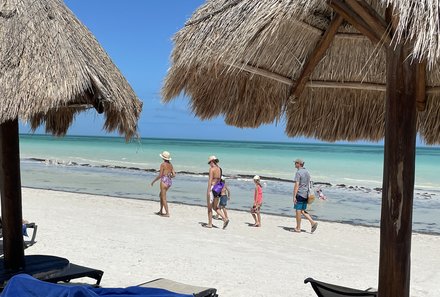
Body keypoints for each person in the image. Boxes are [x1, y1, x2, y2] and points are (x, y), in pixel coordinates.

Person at [292, 158, 318, 233]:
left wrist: (294, 196)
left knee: (298, 211)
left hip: (300, 193)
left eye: (295, 163)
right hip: (306, 194)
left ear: (299, 164)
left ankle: (298, 228)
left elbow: (297, 185)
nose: (294, 164)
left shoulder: (298, 172)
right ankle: (312, 223)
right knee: (302, 211)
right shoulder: (307, 172)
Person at [206, 155, 229, 229]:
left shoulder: (211, 169)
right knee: (215, 207)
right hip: (218, 189)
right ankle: (225, 218)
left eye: (209, 162)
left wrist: (208, 190)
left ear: (212, 161)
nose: (209, 164)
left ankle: (210, 224)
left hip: (212, 188)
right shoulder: (220, 169)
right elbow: (219, 180)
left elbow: (210, 180)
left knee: (210, 207)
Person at [151, 151, 175, 217]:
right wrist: (169, 176)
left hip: (164, 180)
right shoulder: (170, 165)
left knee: (163, 197)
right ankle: (161, 211)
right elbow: (174, 175)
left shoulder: (163, 164)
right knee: (161, 195)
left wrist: (153, 181)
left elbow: (160, 175)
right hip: (169, 181)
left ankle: (167, 213)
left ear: (163, 158)